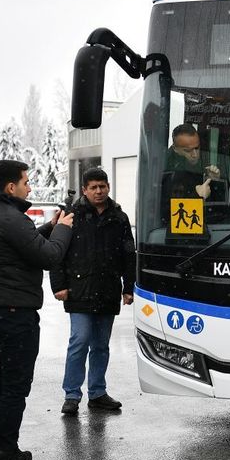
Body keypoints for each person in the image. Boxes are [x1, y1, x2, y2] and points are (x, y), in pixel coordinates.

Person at [0, 160, 74, 460]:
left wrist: (49, 227)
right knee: (15, 387)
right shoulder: (11, 217)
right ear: (10, 187)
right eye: (26, 182)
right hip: (14, 313)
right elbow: (48, 256)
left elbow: (24, 247)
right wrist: (64, 230)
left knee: (5, 382)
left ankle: (6, 449)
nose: (30, 188)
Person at [51, 168, 135, 416]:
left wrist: (128, 287)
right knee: (79, 341)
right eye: (93, 187)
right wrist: (59, 285)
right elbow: (56, 252)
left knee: (101, 345)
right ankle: (72, 394)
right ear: (85, 189)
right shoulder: (71, 216)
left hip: (108, 289)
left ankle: (97, 393)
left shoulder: (119, 218)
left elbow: (129, 255)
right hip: (79, 290)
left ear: (108, 186)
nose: (99, 191)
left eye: (103, 186)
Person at [164, 123, 222, 200]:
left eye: (197, 148)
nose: (195, 154)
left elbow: (220, 205)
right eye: (188, 150)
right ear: (175, 149)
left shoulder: (205, 160)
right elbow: (166, 208)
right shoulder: (165, 169)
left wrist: (215, 182)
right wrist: (197, 196)